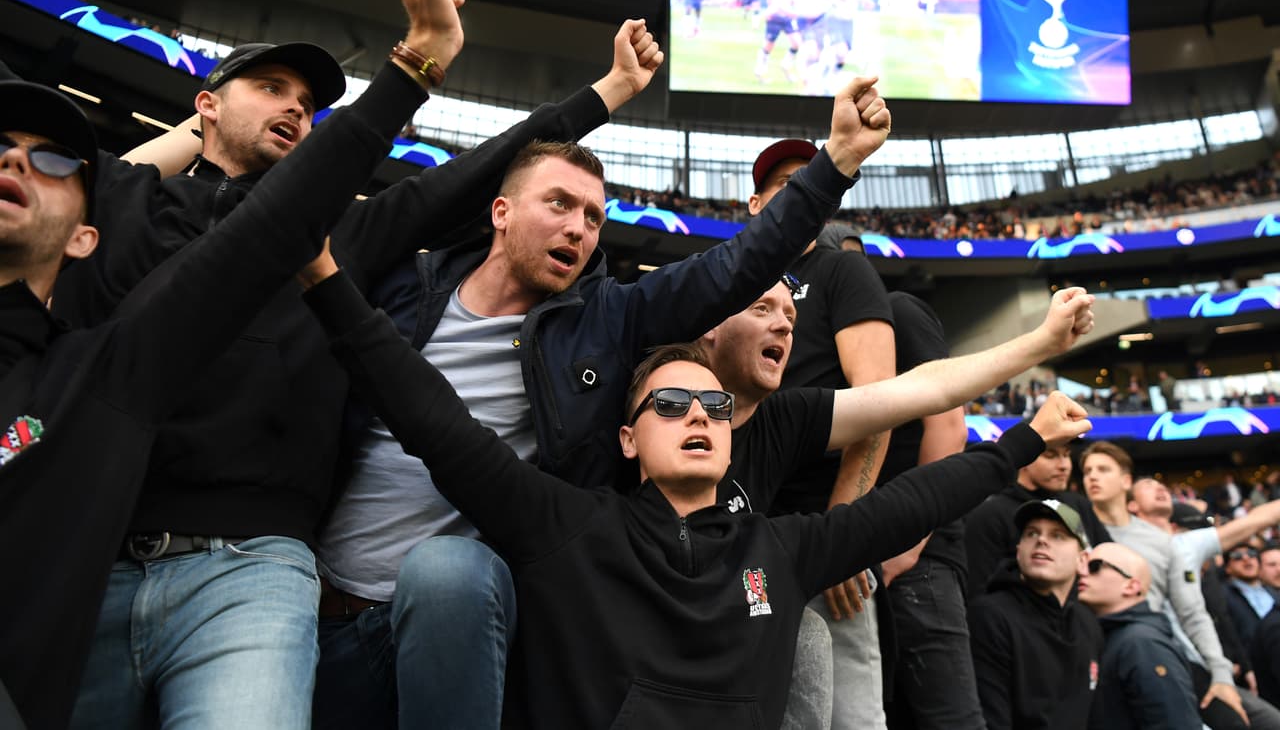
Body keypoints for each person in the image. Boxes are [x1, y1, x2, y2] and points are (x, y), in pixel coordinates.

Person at [296, 225, 1095, 729]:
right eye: (671, 403)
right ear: (627, 438)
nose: (701, 415)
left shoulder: (781, 549)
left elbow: (917, 491)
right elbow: (432, 419)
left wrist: (1025, 436)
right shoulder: (566, 525)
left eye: (712, 406)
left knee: (811, 635)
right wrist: (329, 284)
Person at [312, 77, 891, 728]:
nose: (579, 228)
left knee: (447, 572)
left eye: (593, 217)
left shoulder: (605, 321)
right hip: (317, 606)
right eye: (559, 204)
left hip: (472, 621)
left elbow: (733, 266)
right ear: (500, 211)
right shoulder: (402, 289)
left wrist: (836, 162)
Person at [0, 0, 462, 730]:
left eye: (308, 103)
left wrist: (419, 62)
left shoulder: (105, 364)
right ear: (206, 105)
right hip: (98, 556)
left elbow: (280, 226)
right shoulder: (124, 204)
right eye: (271, 87)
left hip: (253, 557)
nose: (295, 107)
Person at [695, 279, 1095, 729]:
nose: (784, 327)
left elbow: (927, 391)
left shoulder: (782, 421)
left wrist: (1041, 345)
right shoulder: (647, 402)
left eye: (790, 317)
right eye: (762, 309)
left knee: (807, 640)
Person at [751, 136, 897, 729]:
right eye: (784, 185)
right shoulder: (731, 279)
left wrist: (843, 533)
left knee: (849, 716)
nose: (800, 192)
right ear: (755, 204)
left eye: (809, 182)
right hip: (747, 532)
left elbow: (877, 404)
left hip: (822, 527)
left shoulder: (841, 268)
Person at [1082, 442, 1257, 728]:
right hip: (1102, 658)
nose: (1092, 476)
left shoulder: (1160, 540)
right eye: (1087, 471)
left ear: (1126, 481)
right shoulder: (1080, 534)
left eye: (1102, 469)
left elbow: (1192, 613)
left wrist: (1221, 675)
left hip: (1167, 654)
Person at [877, 292, 984, 730]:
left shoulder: (897, 309)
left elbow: (948, 424)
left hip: (916, 559)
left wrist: (911, 542)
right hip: (861, 552)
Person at [967, 499, 1103, 730]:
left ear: (1082, 561)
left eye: (1058, 535)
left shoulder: (1088, 624)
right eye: (1031, 533)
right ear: (1018, 551)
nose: (1041, 540)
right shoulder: (990, 615)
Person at [963, 429, 1110, 599]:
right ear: (1024, 459)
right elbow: (978, 591)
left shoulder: (1078, 504)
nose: (1063, 465)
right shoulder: (990, 513)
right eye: (1050, 455)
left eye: (1066, 455)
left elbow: (1108, 557)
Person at [1076, 543, 1202, 730]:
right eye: (1082, 564)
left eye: (1095, 567)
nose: (1082, 572)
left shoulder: (1142, 644)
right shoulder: (1112, 637)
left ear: (1131, 586)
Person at [1222, 544, 1278, 649]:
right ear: (1227, 568)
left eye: (1252, 554)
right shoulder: (1223, 596)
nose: (1246, 559)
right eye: (1237, 556)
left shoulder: (1273, 592)